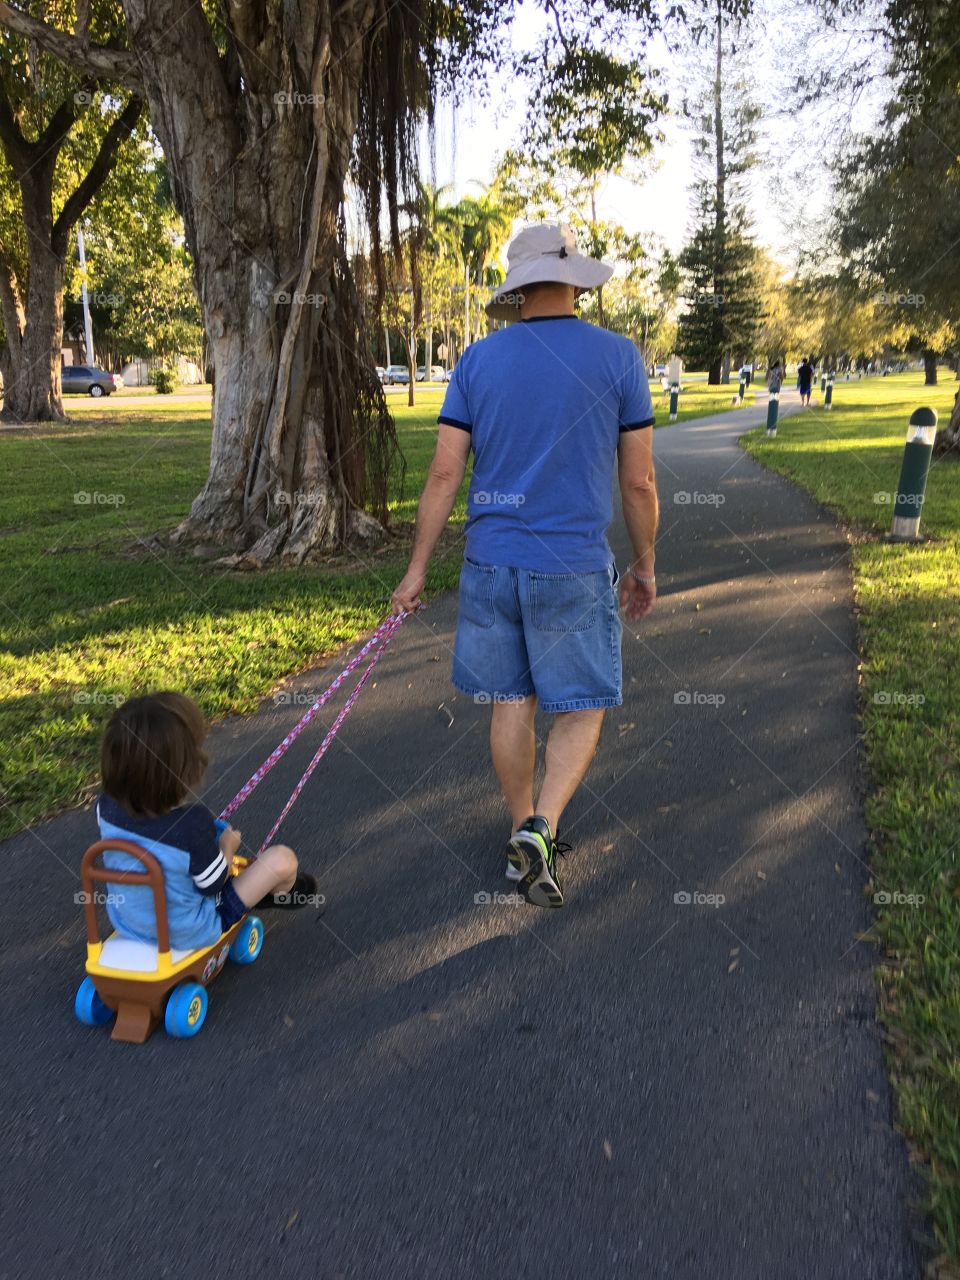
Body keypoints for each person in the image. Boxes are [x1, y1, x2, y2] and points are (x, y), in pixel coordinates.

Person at [391, 222, 658, 909]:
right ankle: (543, 826)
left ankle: (521, 833)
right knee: (583, 702)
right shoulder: (619, 358)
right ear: (573, 279)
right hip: (569, 564)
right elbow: (639, 484)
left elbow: (445, 472)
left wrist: (417, 569)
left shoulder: (478, 362)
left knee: (513, 698)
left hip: (490, 563)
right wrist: (645, 563)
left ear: (517, 287)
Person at [96, 692, 318, 950]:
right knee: (282, 859)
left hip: (129, 920)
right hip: (190, 930)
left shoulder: (105, 806)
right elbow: (213, 883)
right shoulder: (191, 825)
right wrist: (227, 846)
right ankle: (280, 894)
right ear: (185, 770)